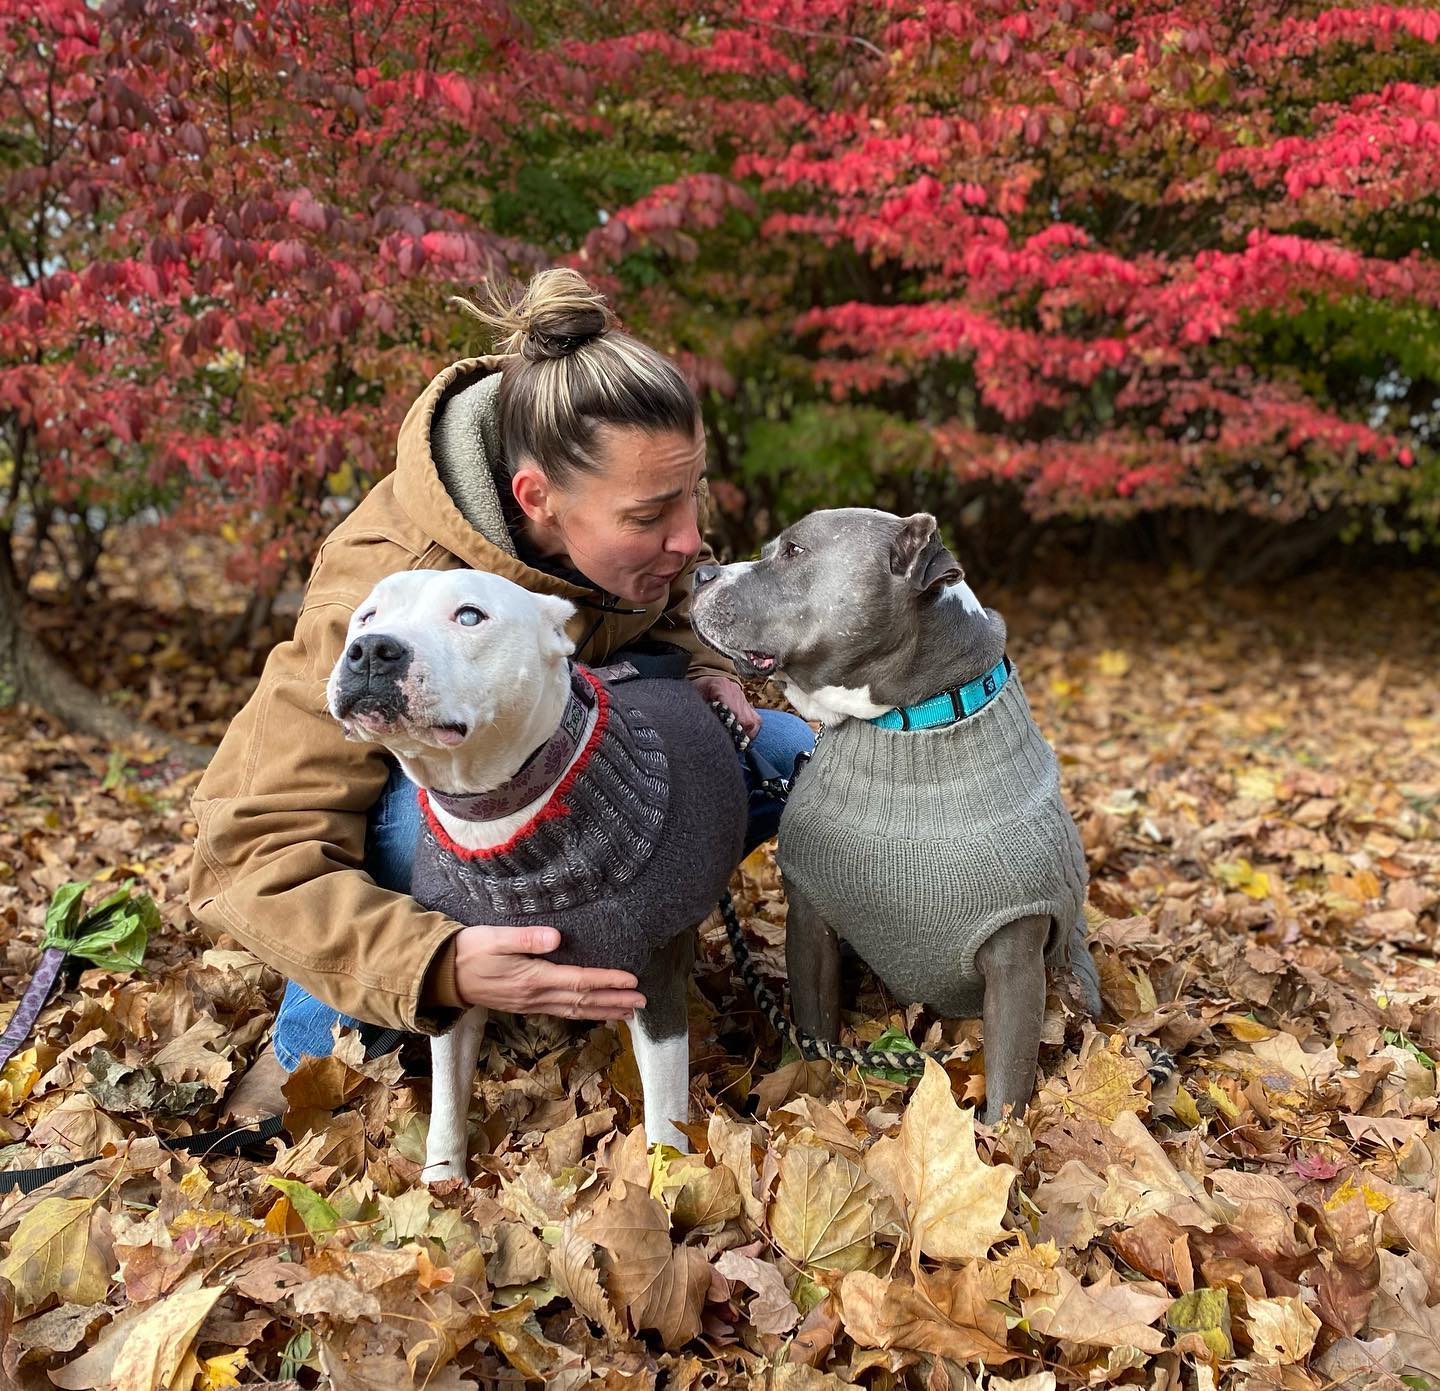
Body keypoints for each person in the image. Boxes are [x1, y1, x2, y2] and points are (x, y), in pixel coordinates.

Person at [189, 268, 813, 1092]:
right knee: (435, 817)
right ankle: (316, 1045)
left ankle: (641, 939)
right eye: (651, 516)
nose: (691, 539)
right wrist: (434, 962)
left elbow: (653, 608)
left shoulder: (621, 494)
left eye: (691, 496)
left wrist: (700, 667)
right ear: (536, 498)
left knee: (793, 754)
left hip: (598, 770)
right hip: (445, 806)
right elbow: (250, 846)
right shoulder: (387, 591)